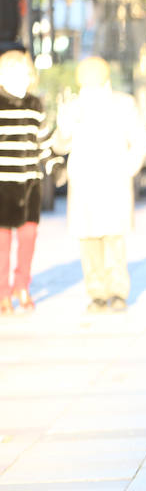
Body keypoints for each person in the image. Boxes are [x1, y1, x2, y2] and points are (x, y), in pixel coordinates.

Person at [58, 57, 146, 314]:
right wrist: (64, 125)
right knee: (88, 240)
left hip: (113, 181)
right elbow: (61, 144)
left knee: (114, 238)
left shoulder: (123, 104)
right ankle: (97, 292)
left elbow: (141, 140)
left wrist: (129, 167)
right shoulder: (73, 107)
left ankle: (118, 291)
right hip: (84, 182)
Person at [0, 51, 47, 314]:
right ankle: (3, 293)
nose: (15, 75)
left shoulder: (35, 105)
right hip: (2, 185)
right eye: (9, 70)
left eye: (21, 70)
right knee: (2, 245)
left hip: (30, 184)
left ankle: (22, 286)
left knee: (28, 239)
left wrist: (55, 167)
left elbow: (43, 141)